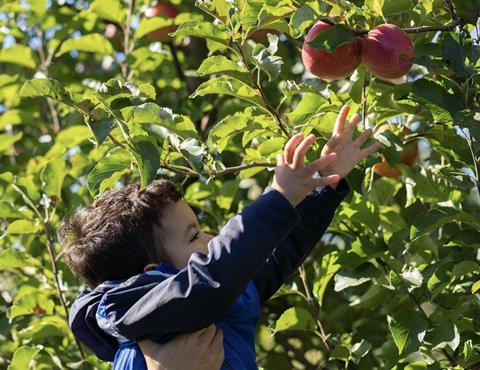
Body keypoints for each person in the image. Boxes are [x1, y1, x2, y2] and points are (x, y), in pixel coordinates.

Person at [60, 106, 381, 369]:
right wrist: (280, 196)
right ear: (154, 276)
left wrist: (321, 187)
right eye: (194, 236)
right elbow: (213, 277)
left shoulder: (218, 300)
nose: (212, 240)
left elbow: (273, 256)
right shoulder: (142, 319)